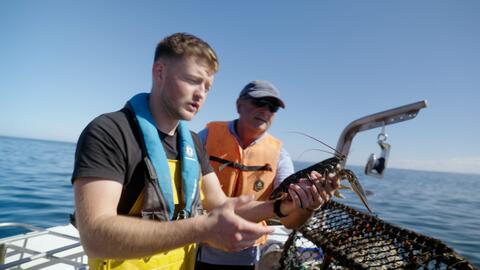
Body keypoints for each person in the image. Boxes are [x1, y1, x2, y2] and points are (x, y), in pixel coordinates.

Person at [72, 32, 338, 270]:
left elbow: (222, 206)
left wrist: (281, 206)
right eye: (191, 80)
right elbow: (95, 236)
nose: (201, 94)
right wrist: (202, 228)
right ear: (159, 72)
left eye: (207, 87)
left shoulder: (192, 144)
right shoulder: (109, 131)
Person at [195, 80, 317, 269]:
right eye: (259, 102)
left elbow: (289, 218)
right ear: (239, 105)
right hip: (199, 248)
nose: (265, 111)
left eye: (273, 107)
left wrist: (307, 205)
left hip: (247, 256)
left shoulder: (280, 155)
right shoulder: (206, 137)